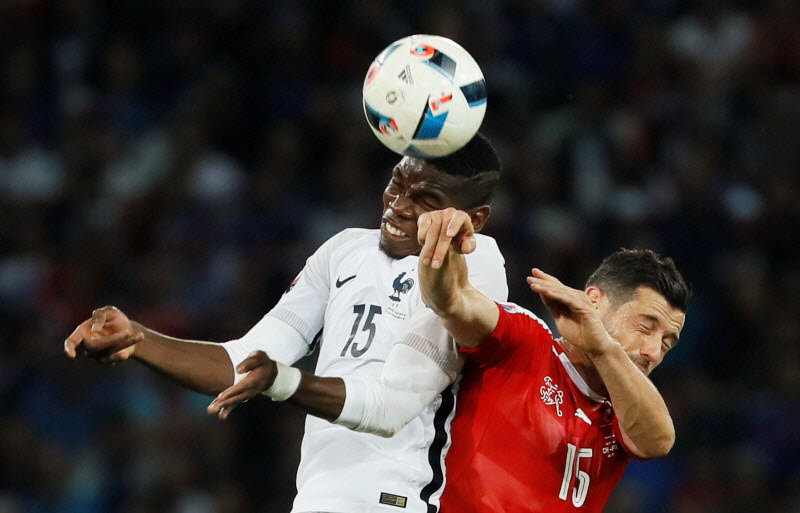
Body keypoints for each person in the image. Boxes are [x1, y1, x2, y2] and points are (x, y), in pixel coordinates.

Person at [63, 134, 509, 513]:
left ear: (474, 220)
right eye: (397, 185)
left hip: (398, 499)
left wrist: (285, 383)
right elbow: (246, 360)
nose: (398, 207)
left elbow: (390, 407)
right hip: (316, 499)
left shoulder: (477, 266)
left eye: (425, 200)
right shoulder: (343, 252)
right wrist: (138, 340)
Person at [211, 208, 689, 512]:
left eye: (668, 341)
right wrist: (441, 253)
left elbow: (658, 440)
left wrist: (605, 346)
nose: (653, 350)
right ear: (594, 299)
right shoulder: (526, 341)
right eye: (645, 326)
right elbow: (457, 303)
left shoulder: (629, 412)